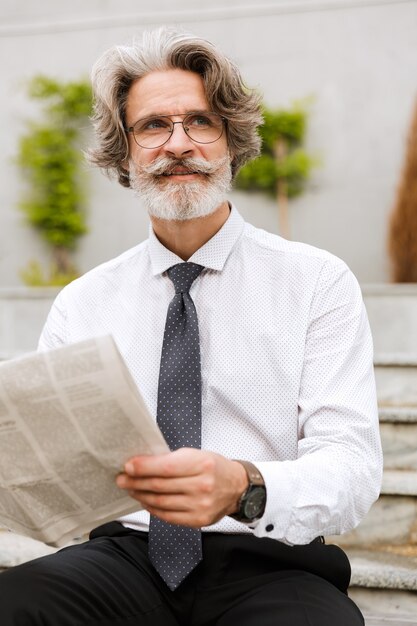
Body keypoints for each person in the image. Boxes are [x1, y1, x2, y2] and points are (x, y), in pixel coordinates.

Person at [0, 27, 382, 625]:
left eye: (199, 122)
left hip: (270, 558)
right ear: (125, 154)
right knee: (16, 601)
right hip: (123, 558)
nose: (179, 144)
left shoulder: (317, 282)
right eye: (153, 126)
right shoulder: (83, 302)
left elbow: (353, 467)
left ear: (231, 140)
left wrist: (242, 485)